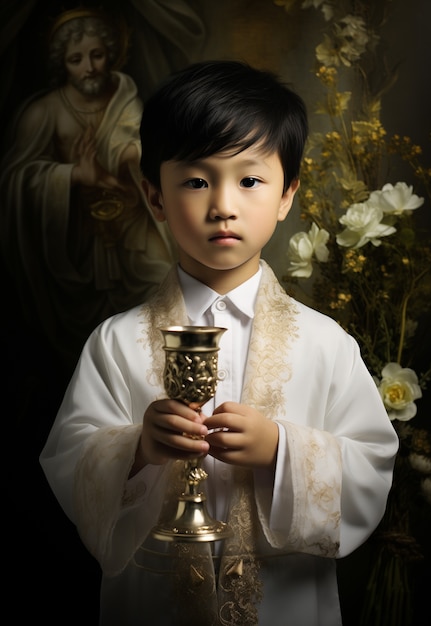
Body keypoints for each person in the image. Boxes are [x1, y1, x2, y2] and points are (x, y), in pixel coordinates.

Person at [40, 60, 399, 626]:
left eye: (250, 179)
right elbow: (69, 459)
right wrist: (137, 449)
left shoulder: (326, 343)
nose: (223, 205)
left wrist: (282, 451)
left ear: (287, 196)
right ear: (154, 196)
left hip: (286, 603)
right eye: (197, 180)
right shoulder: (115, 341)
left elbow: (372, 470)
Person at [0, 8, 175, 373]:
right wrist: (73, 176)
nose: (90, 67)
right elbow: (17, 179)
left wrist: (129, 155)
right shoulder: (43, 112)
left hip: (128, 224)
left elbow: (142, 147)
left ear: (110, 52)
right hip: (73, 239)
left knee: (164, 281)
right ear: (62, 62)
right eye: (76, 59)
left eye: (96, 55)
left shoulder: (125, 97)